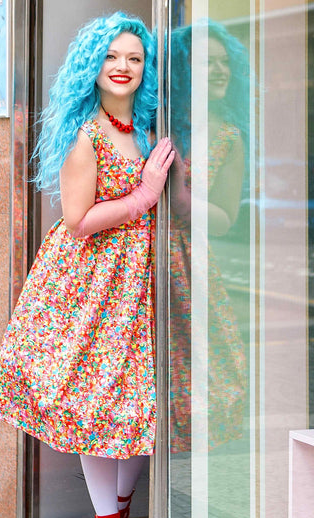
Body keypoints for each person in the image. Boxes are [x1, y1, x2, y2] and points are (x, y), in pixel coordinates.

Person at [0, 12, 174, 518]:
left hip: (143, 285)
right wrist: (146, 193)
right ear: (92, 67)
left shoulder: (148, 129)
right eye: (112, 57)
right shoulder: (86, 134)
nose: (123, 68)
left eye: (134, 59)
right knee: (96, 410)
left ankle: (118, 512)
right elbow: (77, 220)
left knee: (143, 408)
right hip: (91, 289)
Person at [168, 21, 249, 453]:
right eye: (207, 62)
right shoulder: (157, 119)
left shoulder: (228, 137)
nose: (220, 71)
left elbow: (226, 217)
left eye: (225, 63)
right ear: (182, 71)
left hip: (185, 267)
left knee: (193, 381)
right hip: (127, 262)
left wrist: (182, 202)